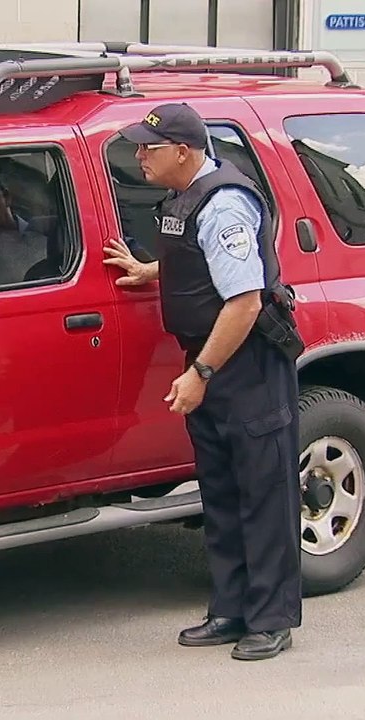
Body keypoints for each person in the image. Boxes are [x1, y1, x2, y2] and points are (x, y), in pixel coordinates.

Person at [103, 103, 302, 661]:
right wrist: (150, 270)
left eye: (149, 148)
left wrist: (201, 374)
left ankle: (271, 619)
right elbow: (201, 261)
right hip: (213, 360)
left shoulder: (226, 205)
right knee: (221, 490)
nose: (139, 155)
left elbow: (243, 302)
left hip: (245, 365)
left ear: (184, 152)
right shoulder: (188, 199)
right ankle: (231, 608)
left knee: (262, 492)